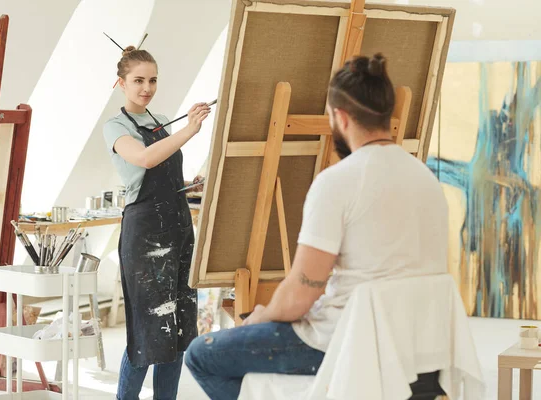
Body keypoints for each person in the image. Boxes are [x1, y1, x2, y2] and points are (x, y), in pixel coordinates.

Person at [184, 53, 448, 400]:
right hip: (417, 344)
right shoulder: (426, 179)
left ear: (339, 117)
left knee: (203, 354)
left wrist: (261, 315)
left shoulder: (338, 182)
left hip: (348, 340)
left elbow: (300, 295)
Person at [103, 45, 211, 400]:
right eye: (138, 80)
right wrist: (191, 130)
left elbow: (165, 168)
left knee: (179, 331)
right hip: (145, 236)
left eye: (152, 80)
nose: (146, 87)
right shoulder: (115, 127)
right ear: (121, 83)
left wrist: (190, 182)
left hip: (179, 230)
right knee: (147, 333)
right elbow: (146, 158)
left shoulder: (161, 120)